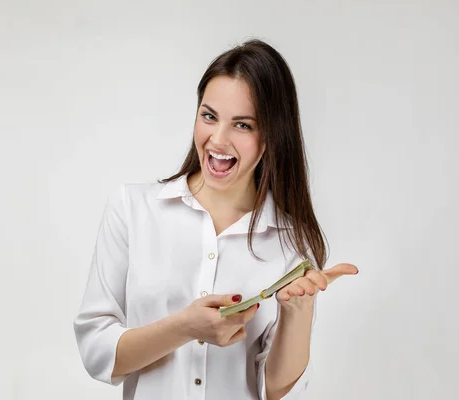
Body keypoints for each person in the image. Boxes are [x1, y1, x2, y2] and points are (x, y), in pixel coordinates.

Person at [73, 38, 358, 400]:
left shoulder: (291, 241)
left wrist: (297, 311)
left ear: (272, 134)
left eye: (242, 125)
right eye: (209, 117)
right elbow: (97, 351)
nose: (217, 140)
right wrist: (185, 327)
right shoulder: (132, 209)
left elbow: (275, 390)